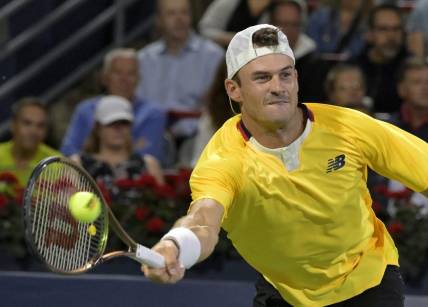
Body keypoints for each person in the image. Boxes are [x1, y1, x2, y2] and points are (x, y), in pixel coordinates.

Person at [142, 24, 428, 306]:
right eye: (262, 78)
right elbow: (204, 221)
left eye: (285, 75)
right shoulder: (224, 159)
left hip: (368, 282)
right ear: (234, 89)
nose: (277, 87)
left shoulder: (347, 127)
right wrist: (176, 246)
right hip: (284, 292)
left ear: (297, 79)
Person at [136, 0, 224, 139]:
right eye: (171, 14)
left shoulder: (214, 57)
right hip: (152, 135)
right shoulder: (143, 59)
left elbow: (218, 107)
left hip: (198, 136)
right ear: (159, 20)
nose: (179, 19)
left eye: (184, 13)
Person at [61, 48, 167, 162]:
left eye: (130, 74)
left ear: (138, 79)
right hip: (88, 174)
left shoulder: (153, 113)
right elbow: (68, 150)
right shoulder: (85, 110)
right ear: (105, 78)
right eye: (118, 73)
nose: (124, 80)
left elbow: (147, 155)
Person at [351, 4, 410, 113]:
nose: (391, 36)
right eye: (383, 29)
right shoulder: (354, 66)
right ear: (370, 33)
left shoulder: (413, 68)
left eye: (396, 29)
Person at [0, 98, 60, 187]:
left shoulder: (57, 163)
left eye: (40, 125)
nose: (33, 131)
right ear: (13, 125)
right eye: (27, 123)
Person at [198, 0, 272, 47]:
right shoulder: (228, 3)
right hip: (216, 56)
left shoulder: (268, 13)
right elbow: (204, 30)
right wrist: (233, 38)